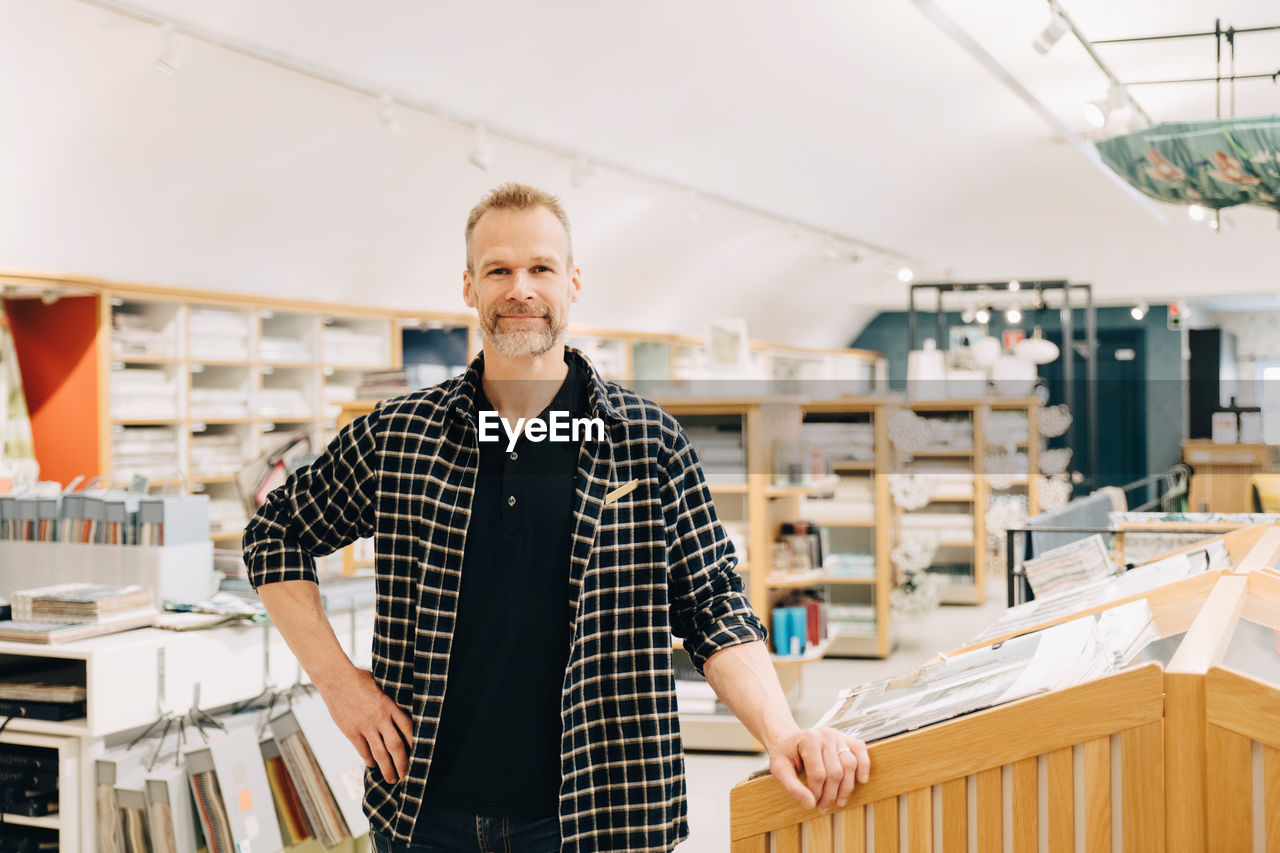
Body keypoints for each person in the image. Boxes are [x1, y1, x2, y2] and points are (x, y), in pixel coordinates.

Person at [244, 183, 870, 853]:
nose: (521, 288)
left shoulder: (647, 441)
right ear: (469, 287)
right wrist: (342, 687)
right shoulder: (401, 435)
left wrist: (783, 733)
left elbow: (713, 604)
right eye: (499, 270)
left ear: (572, 282)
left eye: (540, 268)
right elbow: (274, 530)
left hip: (600, 812)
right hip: (425, 811)